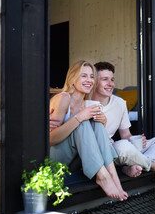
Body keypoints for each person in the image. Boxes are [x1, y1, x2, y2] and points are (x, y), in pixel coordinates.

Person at [49, 60, 128, 200]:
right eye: (83, 76)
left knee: (95, 122)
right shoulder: (63, 98)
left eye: (92, 76)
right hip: (54, 161)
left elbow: (89, 140)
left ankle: (114, 178)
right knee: (82, 121)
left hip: (74, 162)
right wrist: (79, 118)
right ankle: (102, 176)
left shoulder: (87, 102)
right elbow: (50, 139)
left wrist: (102, 123)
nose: (89, 80)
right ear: (73, 78)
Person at [91, 62, 155, 178]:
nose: (110, 84)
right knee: (123, 146)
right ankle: (154, 166)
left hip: (118, 150)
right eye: (105, 79)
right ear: (94, 82)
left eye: (112, 79)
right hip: (104, 152)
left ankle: (132, 167)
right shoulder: (87, 104)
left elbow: (125, 134)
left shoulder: (120, 103)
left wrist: (136, 140)